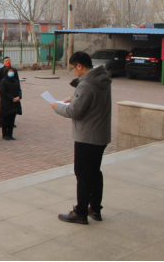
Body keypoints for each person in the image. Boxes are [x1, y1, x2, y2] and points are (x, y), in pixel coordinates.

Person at [51, 52, 112, 225]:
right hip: (101, 135)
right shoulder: (102, 78)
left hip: (87, 136)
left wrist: (56, 107)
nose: (74, 72)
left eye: (73, 68)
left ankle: (80, 212)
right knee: (95, 172)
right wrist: (75, 98)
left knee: (83, 174)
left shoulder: (86, 84)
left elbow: (73, 112)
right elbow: (93, 101)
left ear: (79, 66)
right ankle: (95, 208)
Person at [0, 57, 19, 128]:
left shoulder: (14, 70)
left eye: (8, 60)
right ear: (3, 62)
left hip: (13, 92)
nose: (7, 62)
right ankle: (1, 121)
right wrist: (2, 85)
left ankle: (12, 121)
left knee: (13, 107)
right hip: (4, 92)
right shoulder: (0, 70)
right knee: (4, 106)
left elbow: (17, 80)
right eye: (6, 61)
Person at [0, 67, 22, 140]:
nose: (11, 72)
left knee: (12, 120)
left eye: (12, 71)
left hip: (15, 103)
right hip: (6, 103)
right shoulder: (3, 81)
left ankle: (10, 134)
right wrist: (12, 98)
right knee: (6, 119)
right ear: (6, 72)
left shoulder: (15, 80)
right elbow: (3, 92)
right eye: (10, 71)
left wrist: (19, 96)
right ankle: (5, 134)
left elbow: (19, 90)